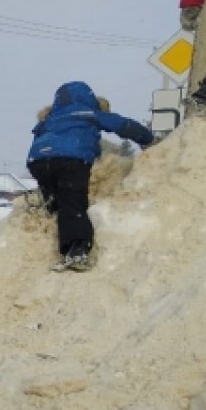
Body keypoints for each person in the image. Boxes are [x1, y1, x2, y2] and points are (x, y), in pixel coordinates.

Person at [27, 81, 154, 272]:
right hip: (71, 160)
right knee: (73, 202)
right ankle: (76, 250)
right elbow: (123, 125)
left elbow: (39, 136)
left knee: (57, 197)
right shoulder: (89, 114)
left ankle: (48, 203)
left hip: (38, 160)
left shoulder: (49, 119)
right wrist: (148, 139)